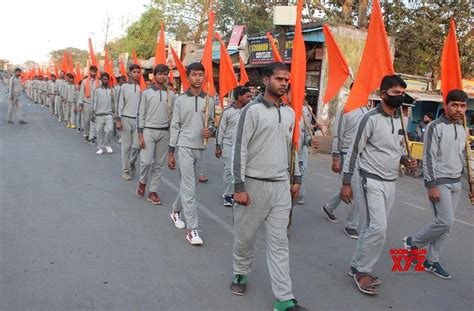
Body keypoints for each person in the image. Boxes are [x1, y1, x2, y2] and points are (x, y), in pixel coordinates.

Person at [230, 62, 306, 311]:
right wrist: (239, 186)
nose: (284, 83)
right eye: (279, 79)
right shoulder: (251, 111)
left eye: (287, 79)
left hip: (280, 187)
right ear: (265, 80)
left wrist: (296, 179)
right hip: (253, 185)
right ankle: (240, 271)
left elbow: (292, 149)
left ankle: (284, 298)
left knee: (280, 243)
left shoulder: (290, 113)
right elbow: (239, 148)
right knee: (245, 237)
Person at [340, 75, 417, 295]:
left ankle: (356, 264)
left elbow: (396, 150)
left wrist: (405, 159)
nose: (400, 97)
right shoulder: (370, 119)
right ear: (383, 94)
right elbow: (354, 150)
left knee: (370, 226)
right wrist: (346, 182)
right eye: (395, 93)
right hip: (370, 179)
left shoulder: (400, 120)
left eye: (402, 93)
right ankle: (362, 272)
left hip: (391, 181)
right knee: (378, 227)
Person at [403, 89, 470, 280]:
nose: (459, 109)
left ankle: (431, 261)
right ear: (446, 105)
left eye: (462, 106)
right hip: (439, 181)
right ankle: (413, 243)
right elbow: (429, 157)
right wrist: (431, 184)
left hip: (456, 182)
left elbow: (464, 158)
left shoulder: (463, 129)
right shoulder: (435, 126)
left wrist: (471, 184)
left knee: (446, 227)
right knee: (444, 221)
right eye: (454, 105)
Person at [168, 62, 215, 245]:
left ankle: (175, 210)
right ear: (188, 77)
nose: (197, 78)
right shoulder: (180, 100)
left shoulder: (209, 100)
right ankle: (192, 229)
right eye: (194, 74)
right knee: (189, 188)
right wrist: (171, 152)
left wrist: (210, 131)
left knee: (191, 187)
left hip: (200, 148)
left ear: (204, 77)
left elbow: (212, 124)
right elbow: (175, 126)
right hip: (184, 147)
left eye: (200, 75)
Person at [322, 99, 372, 239]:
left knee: (350, 188)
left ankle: (329, 207)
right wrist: (336, 157)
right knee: (354, 191)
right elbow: (338, 134)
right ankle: (351, 225)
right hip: (346, 155)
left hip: (363, 157)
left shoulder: (369, 111)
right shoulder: (346, 110)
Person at [136, 64, 175, 205]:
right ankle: (142, 182)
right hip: (148, 130)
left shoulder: (171, 94)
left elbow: (173, 115)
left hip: (164, 132)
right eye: (160, 74)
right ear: (154, 75)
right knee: (146, 162)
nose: (163, 77)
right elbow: (141, 113)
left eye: (165, 74)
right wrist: (140, 135)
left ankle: (153, 191)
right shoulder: (146, 93)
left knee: (158, 164)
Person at [215, 86, 252, 207]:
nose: (250, 99)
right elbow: (220, 129)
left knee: (241, 171)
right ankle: (227, 195)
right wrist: (218, 146)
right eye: (248, 96)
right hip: (228, 145)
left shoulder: (250, 111)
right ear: (240, 97)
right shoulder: (228, 112)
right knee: (230, 170)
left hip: (242, 146)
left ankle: (237, 192)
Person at [117, 64, 142, 180]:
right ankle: (125, 171)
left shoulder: (143, 88)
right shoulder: (124, 87)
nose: (137, 74)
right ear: (130, 73)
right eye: (134, 72)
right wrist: (118, 119)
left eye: (138, 72)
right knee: (126, 147)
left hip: (138, 120)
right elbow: (120, 103)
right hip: (125, 118)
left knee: (137, 146)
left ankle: (132, 162)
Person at [92, 72, 115, 155]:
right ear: (101, 79)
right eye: (104, 79)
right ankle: (100, 148)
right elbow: (94, 102)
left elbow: (113, 103)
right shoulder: (97, 90)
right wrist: (93, 113)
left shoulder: (111, 90)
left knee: (109, 130)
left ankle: (107, 144)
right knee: (99, 132)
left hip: (109, 114)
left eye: (107, 79)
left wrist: (115, 113)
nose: (106, 80)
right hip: (98, 114)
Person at [79, 66, 100, 144]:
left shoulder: (99, 82)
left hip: (96, 104)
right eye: (92, 71)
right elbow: (81, 93)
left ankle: (92, 137)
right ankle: (86, 134)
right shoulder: (84, 81)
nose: (93, 73)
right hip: (87, 103)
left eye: (95, 72)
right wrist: (81, 104)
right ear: (89, 72)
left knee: (93, 120)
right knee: (86, 120)